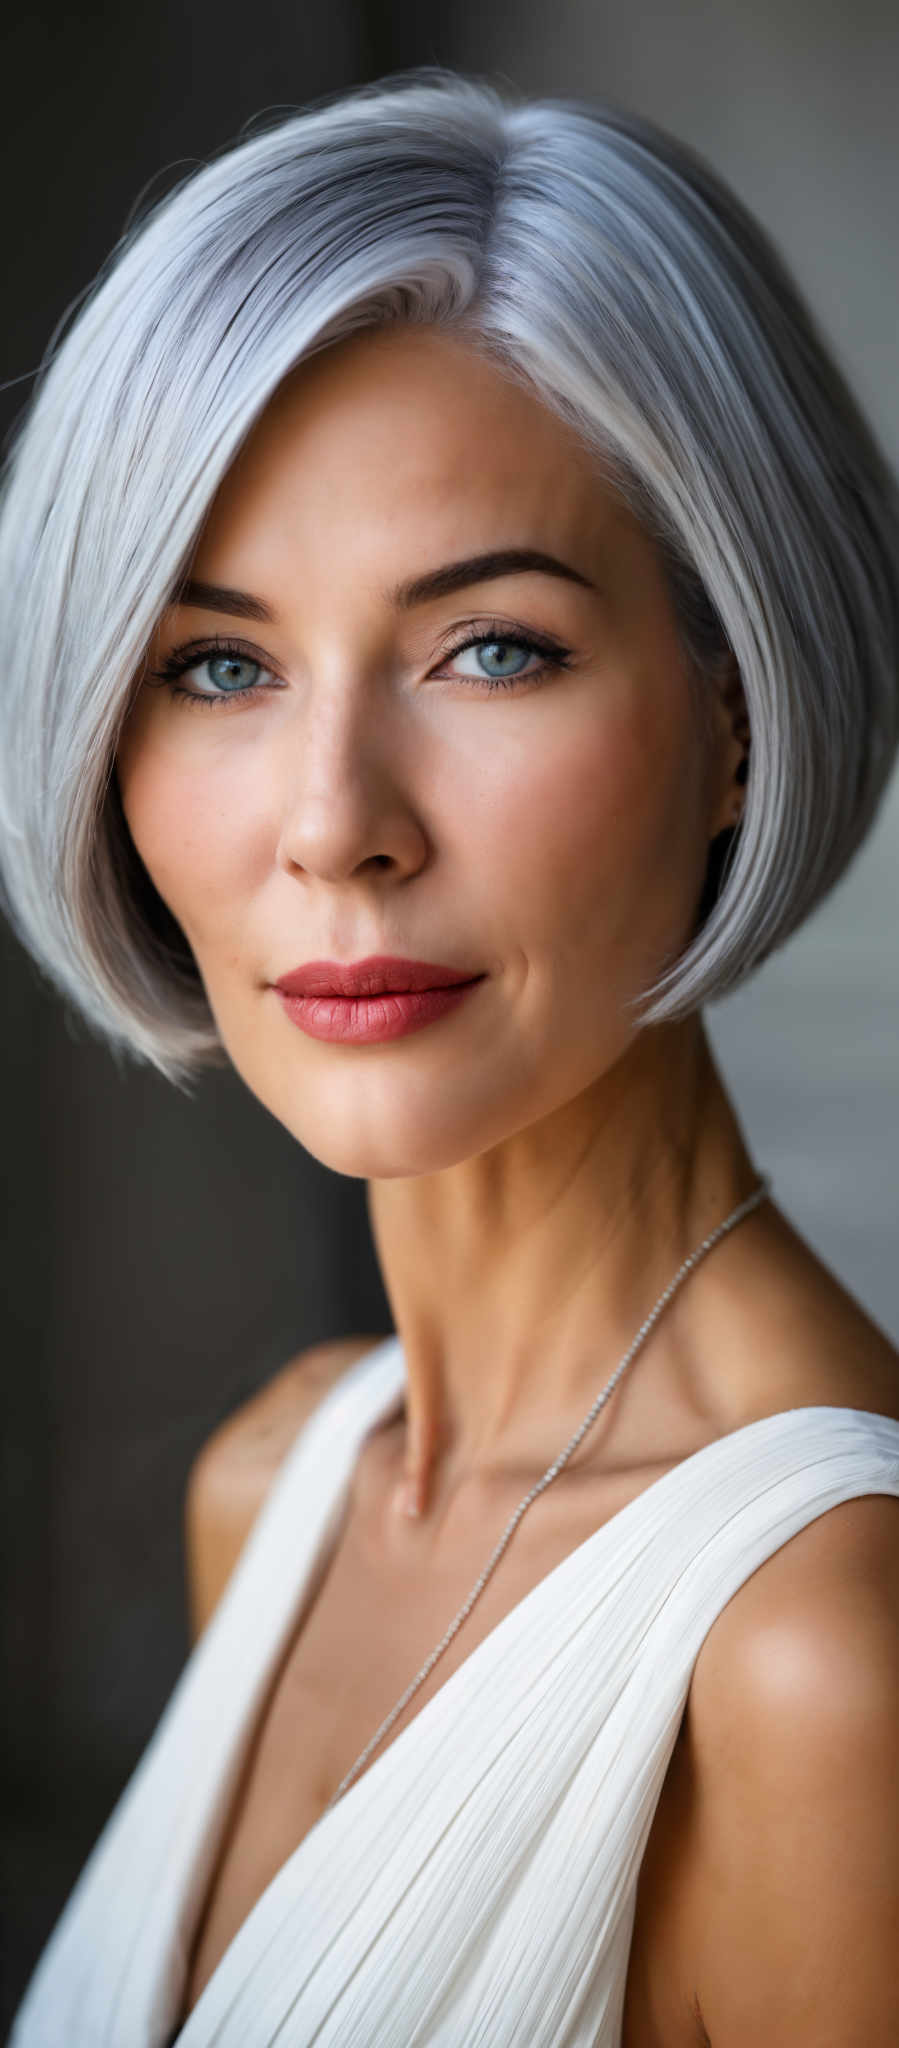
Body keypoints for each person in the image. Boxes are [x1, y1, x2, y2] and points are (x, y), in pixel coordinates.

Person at [2, 66, 898, 2048]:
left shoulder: (826, 1654)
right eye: (216, 664)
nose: (335, 820)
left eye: (490, 645)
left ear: (734, 714)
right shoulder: (280, 1479)